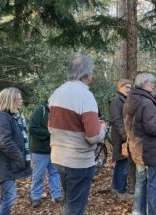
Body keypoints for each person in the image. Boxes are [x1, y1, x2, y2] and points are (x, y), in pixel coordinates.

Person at [48, 54, 106, 215]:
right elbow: (93, 136)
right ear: (86, 74)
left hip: (58, 158)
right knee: (75, 208)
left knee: (69, 202)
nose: (92, 75)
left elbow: (51, 126)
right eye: (92, 72)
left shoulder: (56, 93)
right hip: (78, 161)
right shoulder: (85, 95)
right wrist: (103, 127)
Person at [123, 73, 156, 215]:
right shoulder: (147, 103)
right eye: (152, 82)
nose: (154, 85)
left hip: (136, 149)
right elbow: (151, 128)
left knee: (141, 182)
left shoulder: (130, 100)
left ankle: (137, 211)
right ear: (144, 84)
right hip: (149, 150)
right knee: (153, 185)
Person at [0, 87, 31, 215]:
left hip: (6, 164)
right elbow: (4, 142)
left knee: (6, 195)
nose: (21, 101)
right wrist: (20, 156)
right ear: (10, 100)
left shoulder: (9, 116)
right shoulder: (2, 117)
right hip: (2, 165)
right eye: (18, 98)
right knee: (10, 196)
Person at [29, 100, 62, 208]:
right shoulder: (40, 110)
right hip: (40, 151)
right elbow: (32, 129)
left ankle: (56, 195)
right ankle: (35, 197)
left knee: (55, 173)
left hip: (54, 149)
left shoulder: (58, 112)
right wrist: (49, 133)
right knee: (38, 175)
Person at [109, 79, 134, 199]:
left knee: (121, 163)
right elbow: (116, 120)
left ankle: (115, 187)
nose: (129, 89)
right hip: (120, 137)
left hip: (124, 135)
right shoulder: (116, 100)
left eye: (130, 87)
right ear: (120, 87)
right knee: (124, 164)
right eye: (127, 87)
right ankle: (121, 191)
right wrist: (125, 136)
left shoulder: (124, 99)